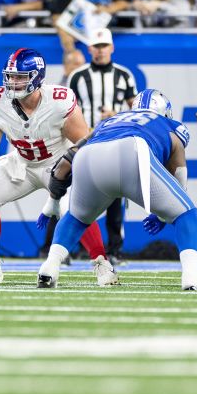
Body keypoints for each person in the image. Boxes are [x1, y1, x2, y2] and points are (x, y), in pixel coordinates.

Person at [40, 90, 197, 291]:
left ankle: (50, 265)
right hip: (131, 151)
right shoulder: (171, 125)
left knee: (77, 218)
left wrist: (54, 197)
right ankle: (191, 275)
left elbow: (69, 157)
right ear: (165, 112)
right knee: (187, 213)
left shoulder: (112, 120)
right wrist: (163, 214)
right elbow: (178, 175)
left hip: (88, 156)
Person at [0, 48, 112, 284]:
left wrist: (80, 179)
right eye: (10, 76)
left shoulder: (59, 101)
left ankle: (102, 263)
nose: (13, 82)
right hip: (22, 163)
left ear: (37, 76)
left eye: (20, 76)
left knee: (73, 208)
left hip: (60, 163)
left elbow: (85, 145)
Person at [65, 28, 138, 259]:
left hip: (114, 139)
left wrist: (116, 114)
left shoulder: (124, 74)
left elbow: (137, 110)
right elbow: (67, 110)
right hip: (84, 141)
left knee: (116, 195)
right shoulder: (77, 76)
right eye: (96, 46)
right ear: (89, 49)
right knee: (76, 194)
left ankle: (114, 250)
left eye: (104, 45)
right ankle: (73, 247)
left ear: (112, 47)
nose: (100, 50)